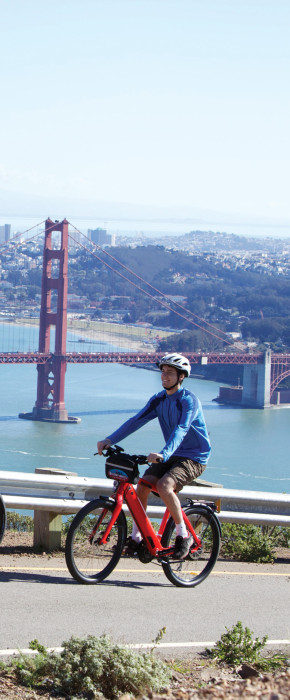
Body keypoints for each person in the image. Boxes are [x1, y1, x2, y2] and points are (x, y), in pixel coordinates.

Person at [97, 353, 211, 560]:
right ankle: (137, 537)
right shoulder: (159, 400)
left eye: (170, 373)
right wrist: (109, 440)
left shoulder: (189, 401)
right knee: (142, 485)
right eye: (163, 372)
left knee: (164, 486)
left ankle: (183, 536)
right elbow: (136, 421)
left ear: (181, 376)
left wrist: (164, 453)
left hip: (194, 456)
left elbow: (182, 429)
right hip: (171, 453)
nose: (164, 376)